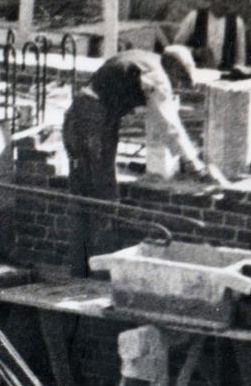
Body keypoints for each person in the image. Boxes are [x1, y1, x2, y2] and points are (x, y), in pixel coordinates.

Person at [60, 44, 229, 275]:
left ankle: (78, 269)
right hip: (93, 122)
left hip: (77, 117)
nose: (176, 88)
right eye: (179, 81)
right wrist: (196, 165)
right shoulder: (158, 77)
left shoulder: (143, 58)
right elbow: (168, 124)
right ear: (174, 71)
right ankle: (101, 273)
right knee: (104, 197)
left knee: (81, 195)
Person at [173, 0, 251, 72]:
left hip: (225, 76)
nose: (226, 5)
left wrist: (237, 74)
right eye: (223, 0)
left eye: (230, 1)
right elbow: (175, 47)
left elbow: (240, 59)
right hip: (197, 74)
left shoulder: (237, 22)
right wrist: (195, 52)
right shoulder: (195, 17)